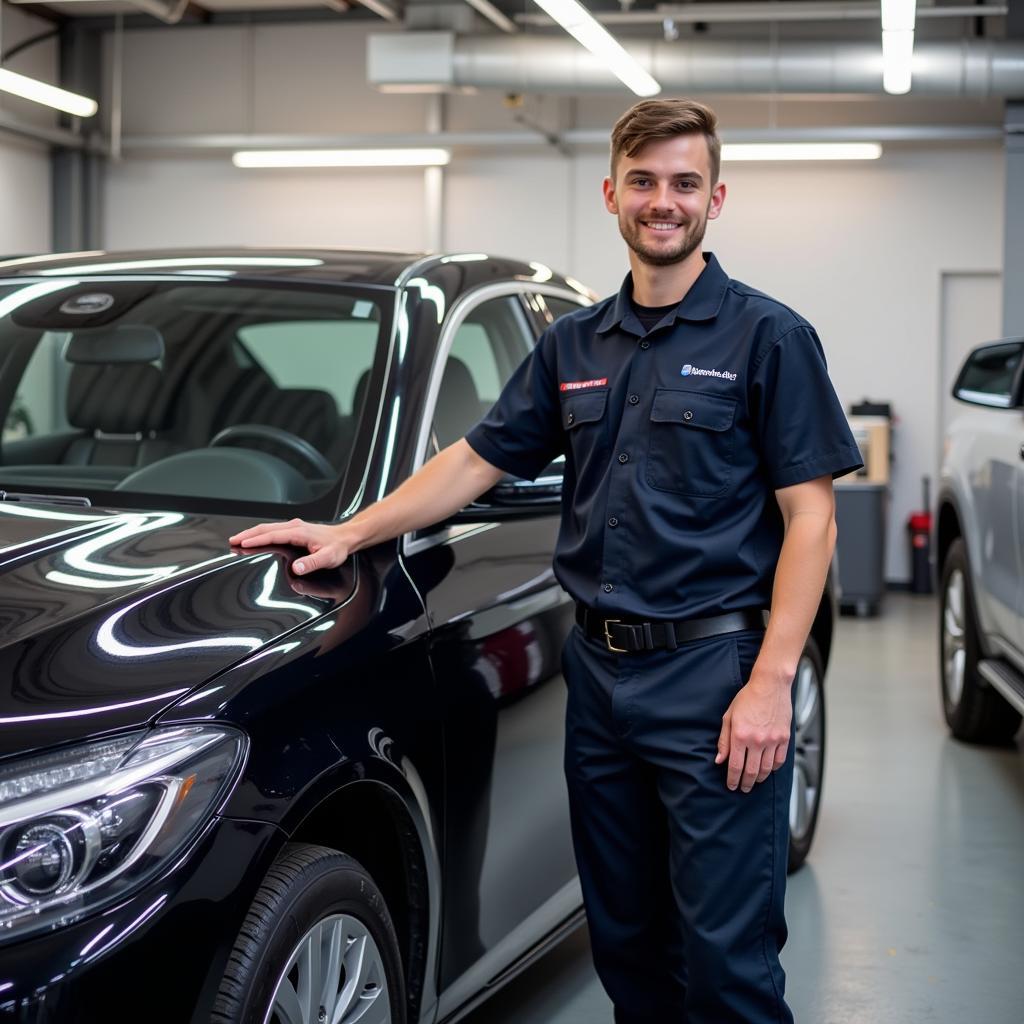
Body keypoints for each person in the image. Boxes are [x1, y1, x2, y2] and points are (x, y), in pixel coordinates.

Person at [230, 97, 863, 1024]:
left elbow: (812, 519)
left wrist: (770, 683)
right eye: (643, 182)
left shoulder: (770, 338)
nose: (663, 201)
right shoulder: (573, 345)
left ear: (715, 200)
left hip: (713, 681)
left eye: (684, 184)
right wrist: (351, 533)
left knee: (728, 967)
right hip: (599, 684)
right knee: (629, 946)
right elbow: (477, 459)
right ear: (612, 193)